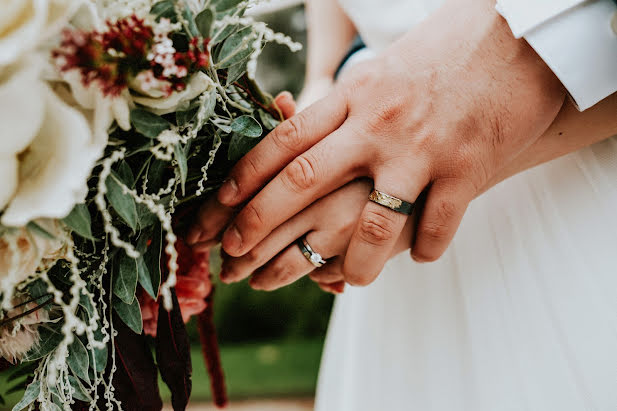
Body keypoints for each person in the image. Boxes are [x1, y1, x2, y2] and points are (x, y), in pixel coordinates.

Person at [189, 0, 617, 409]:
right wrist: (322, 113)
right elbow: (330, 61)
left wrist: (411, 191)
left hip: (572, 212)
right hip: (388, 247)